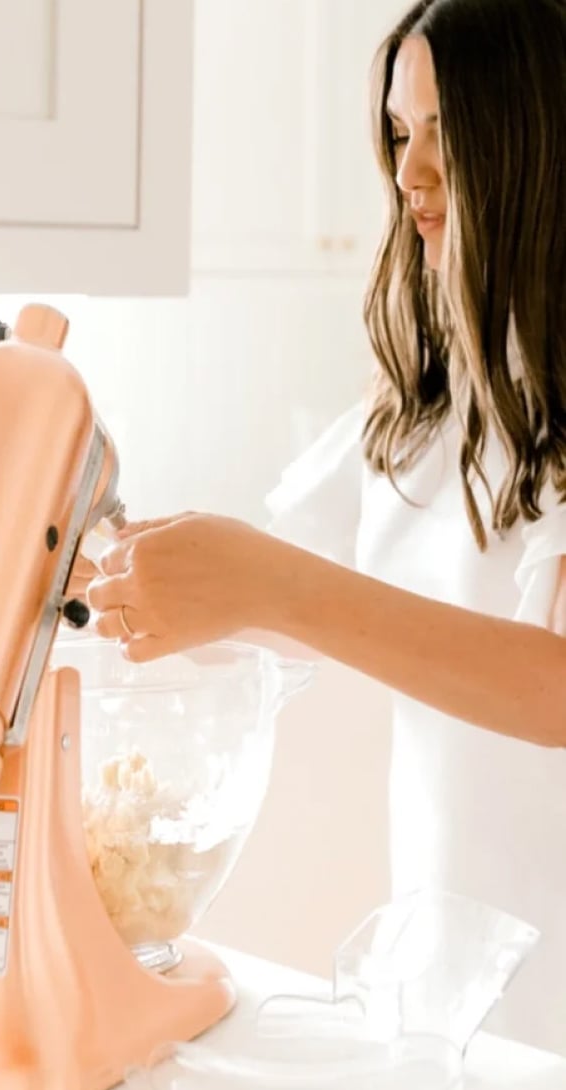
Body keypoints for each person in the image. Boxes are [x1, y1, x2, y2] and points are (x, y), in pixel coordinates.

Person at [84, 0, 566, 1056]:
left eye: (448, 133)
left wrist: (270, 584)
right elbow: (272, 587)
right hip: (462, 1011)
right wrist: (103, 547)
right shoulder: (423, 411)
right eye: (402, 132)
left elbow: (553, 687)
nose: (409, 175)